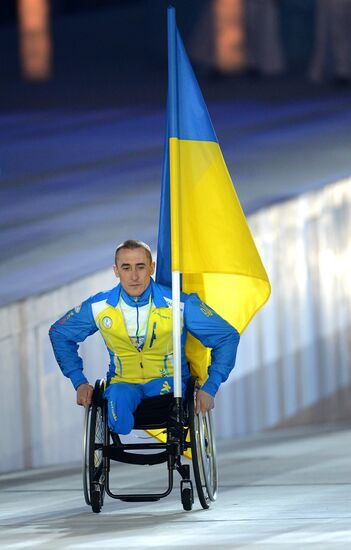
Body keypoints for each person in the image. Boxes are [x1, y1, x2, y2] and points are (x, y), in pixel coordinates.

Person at [49, 239, 240, 435]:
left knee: (166, 409)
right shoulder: (99, 306)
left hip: (169, 387)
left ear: (152, 267)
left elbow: (227, 336)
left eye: (140, 267)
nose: (134, 276)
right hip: (123, 384)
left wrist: (211, 386)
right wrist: (79, 382)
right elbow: (59, 333)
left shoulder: (180, 303)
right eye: (126, 268)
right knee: (118, 419)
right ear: (116, 271)